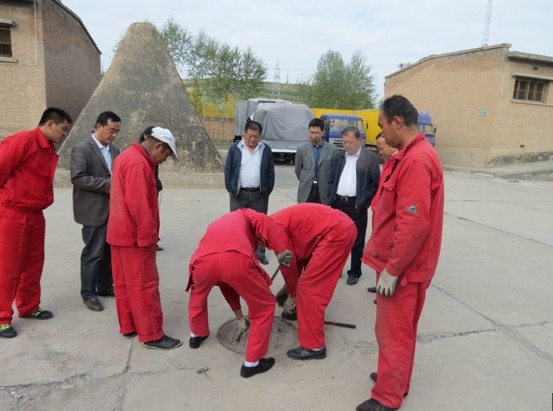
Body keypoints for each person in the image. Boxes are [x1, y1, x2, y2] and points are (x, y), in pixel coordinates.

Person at [356, 95, 444, 411]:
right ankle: (395, 380)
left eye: (382, 125)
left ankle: (387, 397)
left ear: (397, 121)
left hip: (403, 269)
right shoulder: (408, 156)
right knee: (399, 330)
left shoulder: (416, 161)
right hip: (399, 263)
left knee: (393, 333)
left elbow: (413, 224)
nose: (380, 133)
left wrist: (393, 270)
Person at [186, 209, 292, 378]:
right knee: (264, 305)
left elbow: (226, 283)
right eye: (261, 241)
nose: (260, 244)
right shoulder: (249, 214)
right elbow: (266, 222)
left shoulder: (223, 222)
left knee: (198, 297)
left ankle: (196, 335)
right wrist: (281, 250)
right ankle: (252, 363)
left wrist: (240, 317)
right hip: (236, 259)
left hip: (202, 262)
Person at [106, 126, 182, 350]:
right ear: (158, 146)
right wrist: (149, 237)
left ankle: (129, 325)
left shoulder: (124, 156)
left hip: (119, 233)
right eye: (166, 156)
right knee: (144, 285)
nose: (164, 161)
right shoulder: (139, 163)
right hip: (135, 237)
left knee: (124, 284)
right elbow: (138, 204)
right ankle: (152, 334)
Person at [0, 108, 72, 339]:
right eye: (63, 129)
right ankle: (1, 318)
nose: (64, 134)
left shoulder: (47, 149)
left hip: (35, 214)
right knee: (8, 267)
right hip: (13, 212)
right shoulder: (22, 141)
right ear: (50, 124)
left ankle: (29, 306)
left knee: (33, 264)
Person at [270, 203, 357, 360]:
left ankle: (314, 346)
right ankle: (301, 312)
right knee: (305, 285)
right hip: (337, 227)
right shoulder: (268, 224)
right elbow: (297, 257)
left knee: (309, 289)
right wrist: (288, 289)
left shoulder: (273, 231)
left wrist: (293, 295)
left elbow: (289, 264)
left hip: (336, 233)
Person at [70, 111, 121, 312]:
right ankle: (89, 293)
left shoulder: (115, 150)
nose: (114, 135)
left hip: (112, 210)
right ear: (98, 126)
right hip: (93, 211)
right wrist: (109, 185)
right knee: (93, 253)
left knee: (108, 252)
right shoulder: (82, 149)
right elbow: (78, 178)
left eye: (117, 132)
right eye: (111, 130)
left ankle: (105, 286)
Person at [328, 127, 380, 286]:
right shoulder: (338, 156)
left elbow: (375, 184)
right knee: (336, 239)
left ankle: (355, 272)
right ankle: (336, 269)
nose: (346, 145)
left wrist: (364, 201)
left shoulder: (370, 158)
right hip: (337, 203)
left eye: (350, 142)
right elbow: (331, 179)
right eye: (344, 142)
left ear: (360, 140)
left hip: (356, 205)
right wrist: (331, 197)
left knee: (357, 241)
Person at [224, 120, 275, 265]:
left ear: (260, 136)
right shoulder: (235, 148)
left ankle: (260, 253)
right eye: (250, 136)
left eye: (255, 136)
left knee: (259, 226)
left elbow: (270, 172)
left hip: (259, 196)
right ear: (244, 134)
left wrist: (266, 191)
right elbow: (228, 170)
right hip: (239, 195)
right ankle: (237, 251)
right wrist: (231, 189)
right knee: (237, 224)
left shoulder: (266, 150)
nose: (252, 139)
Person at [367, 133, 399, 294]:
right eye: (378, 148)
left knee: (386, 252)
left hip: (387, 218)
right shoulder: (388, 162)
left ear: (391, 143)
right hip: (378, 214)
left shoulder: (398, 163)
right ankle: (378, 281)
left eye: (382, 147)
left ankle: (384, 284)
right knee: (378, 250)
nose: (380, 151)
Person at [295, 118, 339, 204]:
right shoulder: (302, 149)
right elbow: (298, 170)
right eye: (311, 132)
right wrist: (306, 180)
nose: (313, 135)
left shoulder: (333, 150)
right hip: (306, 191)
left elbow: (334, 173)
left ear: (323, 132)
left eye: (316, 133)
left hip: (323, 192)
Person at [138, 126, 164, 252]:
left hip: (155, 186)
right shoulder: (139, 158)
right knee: (146, 213)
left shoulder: (151, 154)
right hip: (146, 187)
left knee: (154, 213)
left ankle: (154, 239)